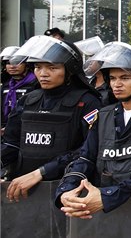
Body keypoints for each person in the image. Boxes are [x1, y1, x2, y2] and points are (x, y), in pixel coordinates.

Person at [55, 42, 131, 216]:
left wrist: (110, 195)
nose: (117, 84)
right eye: (112, 78)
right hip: (98, 210)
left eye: (124, 78)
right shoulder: (103, 116)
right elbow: (86, 158)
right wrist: (66, 191)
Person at [1, 36, 101, 201]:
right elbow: (11, 142)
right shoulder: (29, 100)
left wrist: (42, 172)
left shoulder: (88, 102)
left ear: (69, 70)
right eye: (38, 67)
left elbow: (88, 150)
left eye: (52, 68)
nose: (43, 74)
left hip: (67, 192)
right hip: (22, 189)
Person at [1, 46, 38, 129]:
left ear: (27, 65)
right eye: (8, 63)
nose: (12, 66)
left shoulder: (37, 84)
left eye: (17, 62)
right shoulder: (5, 85)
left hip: (27, 127)